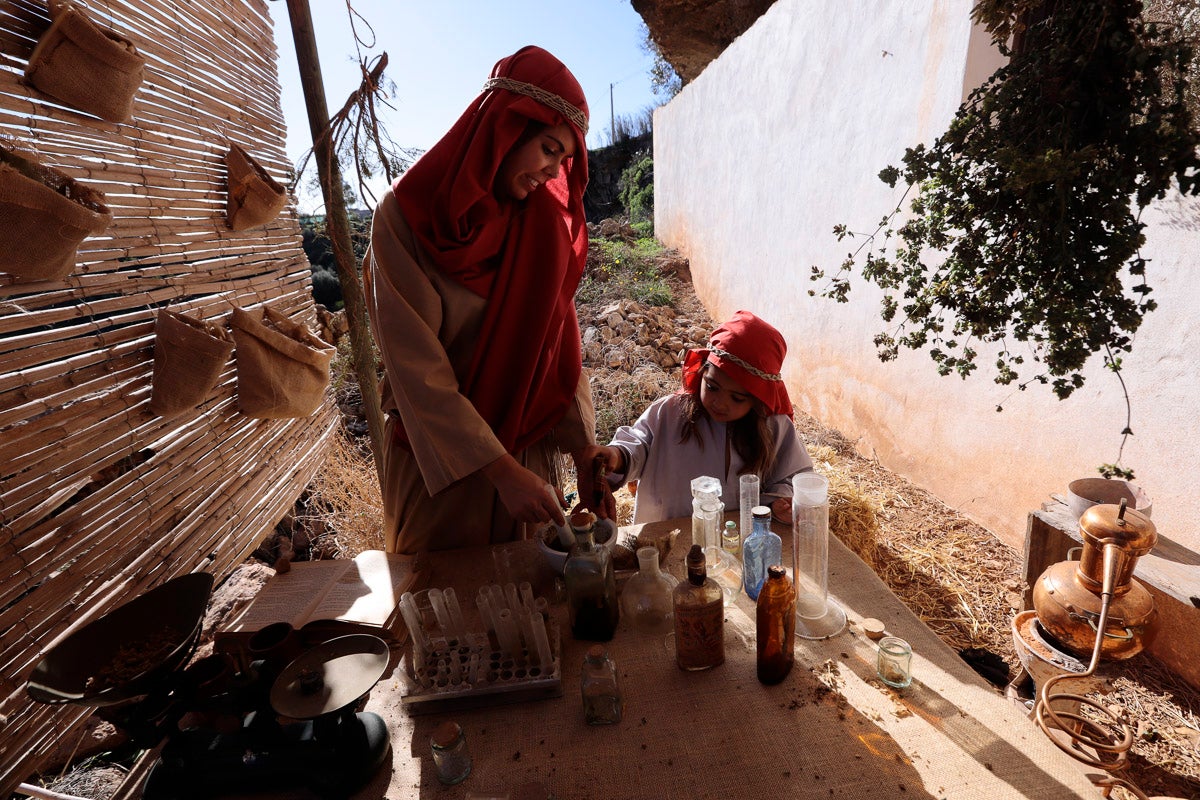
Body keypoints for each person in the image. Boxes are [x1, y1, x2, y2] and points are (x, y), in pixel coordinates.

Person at [364, 46, 611, 554]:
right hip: (443, 471)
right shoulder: (405, 219)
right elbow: (416, 371)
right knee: (439, 596)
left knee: (531, 593)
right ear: (504, 128)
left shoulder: (542, 226)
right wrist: (499, 471)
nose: (553, 172)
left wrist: (583, 450)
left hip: (526, 463)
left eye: (564, 160)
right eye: (548, 148)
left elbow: (555, 351)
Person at [586, 310, 814, 524]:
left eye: (736, 398)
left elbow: (792, 476)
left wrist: (779, 502)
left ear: (757, 398)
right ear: (702, 370)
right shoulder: (669, 412)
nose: (719, 403)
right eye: (712, 387)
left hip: (739, 540)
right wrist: (617, 455)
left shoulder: (773, 427)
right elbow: (638, 444)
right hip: (670, 535)